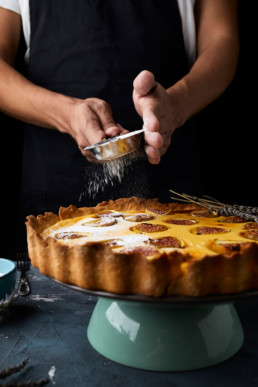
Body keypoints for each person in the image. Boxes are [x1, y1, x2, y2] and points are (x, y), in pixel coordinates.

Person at [0, 0, 239, 252]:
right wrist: (67, 114)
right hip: (55, 187)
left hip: (172, 192)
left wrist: (176, 105)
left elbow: (222, 40)